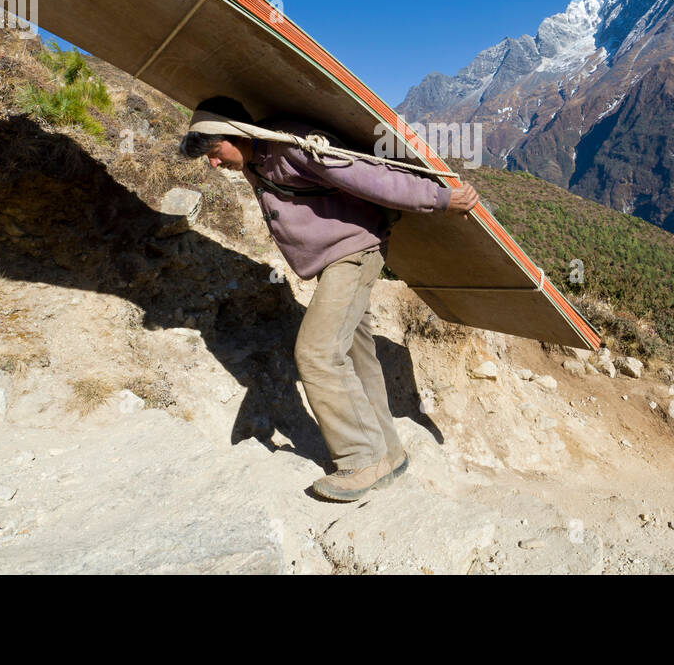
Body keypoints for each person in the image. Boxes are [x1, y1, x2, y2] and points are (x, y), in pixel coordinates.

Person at [179, 96, 479, 501]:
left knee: (316, 354)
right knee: (358, 355)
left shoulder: (292, 145)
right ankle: (388, 453)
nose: (214, 164)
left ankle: (361, 458)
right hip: (337, 259)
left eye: (215, 152)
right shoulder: (254, 157)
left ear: (238, 134)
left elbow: (370, 176)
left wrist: (441, 198)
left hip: (353, 256)